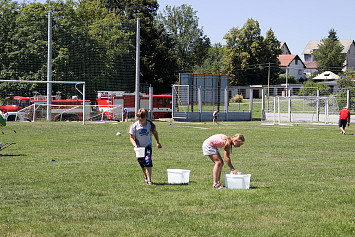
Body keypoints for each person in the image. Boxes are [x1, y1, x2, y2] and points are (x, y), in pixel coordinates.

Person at [129, 108, 162, 185]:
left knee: (148, 161)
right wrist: (135, 146)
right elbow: (131, 137)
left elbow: (155, 133)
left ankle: (149, 180)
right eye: (139, 117)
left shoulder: (150, 125)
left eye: (142, 117)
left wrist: (157, 142)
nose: (140, 119)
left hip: (148, 146)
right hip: (139, 148)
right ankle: (146, 176)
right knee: (142, 163)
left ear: (146, 117)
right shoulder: (135, 126)